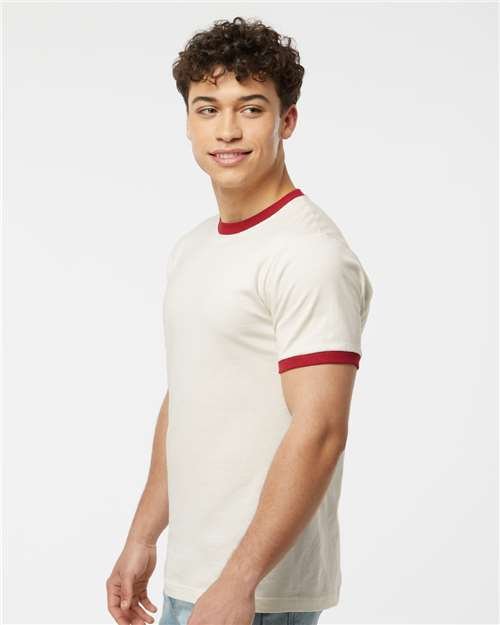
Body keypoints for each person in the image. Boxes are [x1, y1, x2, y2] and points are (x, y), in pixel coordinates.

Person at [106, 16, 373, 625]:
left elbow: (321, 428)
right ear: (188, 121)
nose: (227, 130)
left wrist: (239, 580)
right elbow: (189, 397)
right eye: (208, 109)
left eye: (251, 108)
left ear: (287, 120)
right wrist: (144, 535)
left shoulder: (309, 254)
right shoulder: (195, 247)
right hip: (194, 576)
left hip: (258, 592)